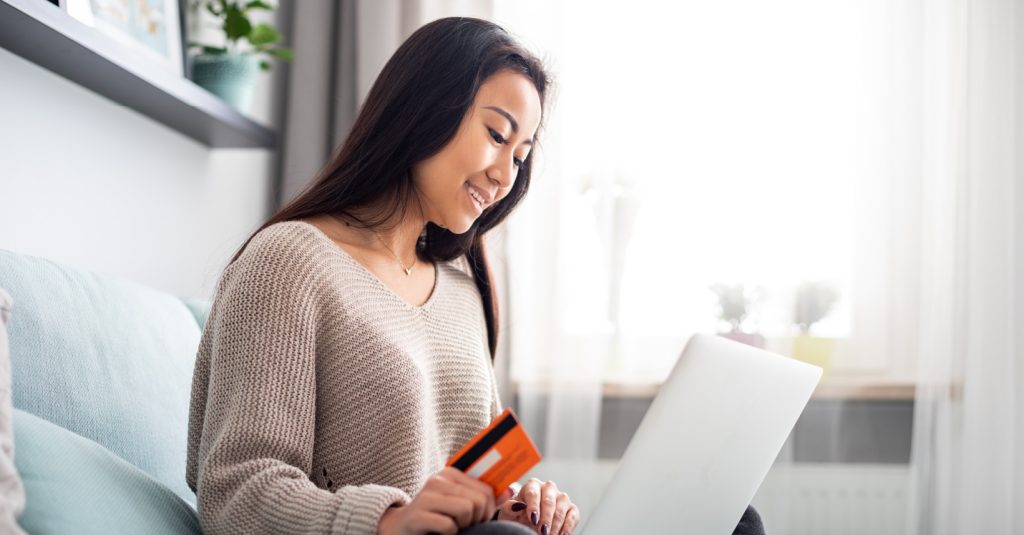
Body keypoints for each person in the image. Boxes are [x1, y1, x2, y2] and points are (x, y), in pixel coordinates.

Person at [185, 16, 765, 535]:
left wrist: (520, 503)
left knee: (734, 521)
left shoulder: (463, 289)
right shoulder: (289, 262)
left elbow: (484, 476)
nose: (505, 174)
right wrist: (390, 520)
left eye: (520, 155)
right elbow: (236, 491)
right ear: (425, 107)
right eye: (496, 134)